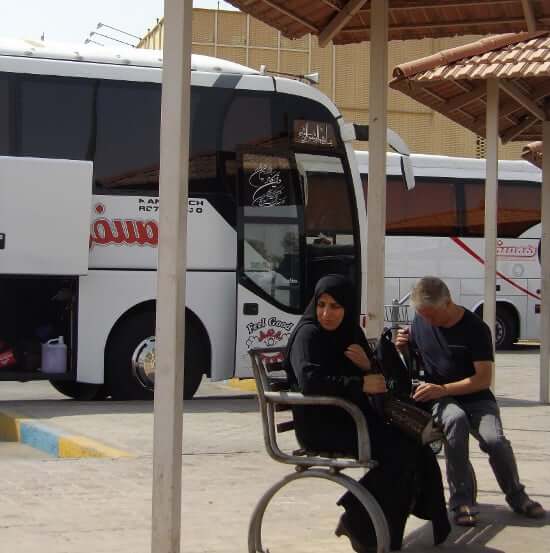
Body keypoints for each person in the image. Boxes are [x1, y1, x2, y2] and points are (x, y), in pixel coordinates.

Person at [284, 275, 450, 552]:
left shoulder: (348, 333)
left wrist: (367, 365)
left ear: (348, 308)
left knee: (414, 446)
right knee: (399, 452)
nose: (326, 313)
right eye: (322, 304)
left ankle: (373, 527)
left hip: (352, 420)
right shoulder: (309, 334)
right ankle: (360, 521)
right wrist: (360, 382)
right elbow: (309, 381)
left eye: (336, 306)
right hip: (323, 426)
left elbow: (382, 380)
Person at [395, 276, 545, 527]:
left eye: (433, 315)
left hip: (474, 397)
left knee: (495, 441)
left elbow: (483, 379)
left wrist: (442, 389)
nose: (428, 321)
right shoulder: (421, 321)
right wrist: (403, 347)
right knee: (456, 420)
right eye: (423, 315)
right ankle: (461, 500)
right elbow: (415, 361)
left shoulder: (475, 328)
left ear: (448, 302)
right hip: (440, 399)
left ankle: (517, 496)